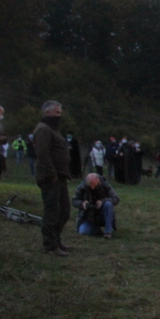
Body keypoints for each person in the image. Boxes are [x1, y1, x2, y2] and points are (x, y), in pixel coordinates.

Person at [33, 101, 72, 257]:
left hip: (60, 176)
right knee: (52, 211)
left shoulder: (53, 129)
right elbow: (43, 153)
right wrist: (52, 173)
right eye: (57, 113)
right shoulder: (43, 129)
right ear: (47, 113)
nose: (59, 115)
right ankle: (50, 245)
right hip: (50, 177)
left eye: (60, 113)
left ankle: (56, 240)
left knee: (64, 211)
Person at [72, 173, 120, 240]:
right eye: (90, 185)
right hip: (88, 216)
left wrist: (103, 201)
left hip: (102, 214)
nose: (92, 187)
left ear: (99, 181)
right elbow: (74, 201)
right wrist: (81, 204)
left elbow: (116, 199)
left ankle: (108, 232)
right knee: (83, 231)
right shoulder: (81, 188)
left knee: (108, 204)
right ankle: (97, 230)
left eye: (94, 185)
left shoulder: (105, 186)